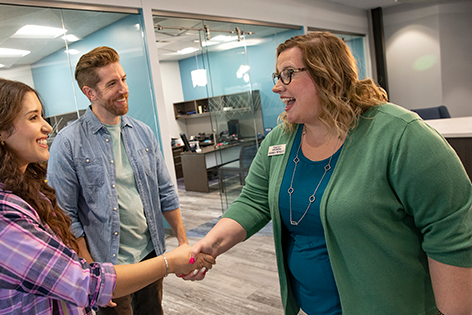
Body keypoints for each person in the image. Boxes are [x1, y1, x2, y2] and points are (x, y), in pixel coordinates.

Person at [188, 31, 472, 314]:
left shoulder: (401, 136)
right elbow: (254, 199)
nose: (277, 87)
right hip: (315, 307)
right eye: (277, 76)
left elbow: (450, 228)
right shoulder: (279, 141)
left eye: (288, 74)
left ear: (329, 76)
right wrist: (209, 244)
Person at [0, 77, 211, 315]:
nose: (46, 127)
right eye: (33, 118)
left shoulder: (21, 192)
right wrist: (170, 262)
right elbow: (82, 281)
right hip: (109, 266)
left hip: (141, 254)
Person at [47, 46, 190, 314]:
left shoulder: (143, 133)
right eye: (112, 83)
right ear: (90, 92)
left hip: (150, 255)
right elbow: (64, 216)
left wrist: (183, 243)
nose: (123, 89)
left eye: (123, 79)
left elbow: (166, 192)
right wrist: (90, 271)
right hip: (108, 267)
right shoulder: (67, 144)